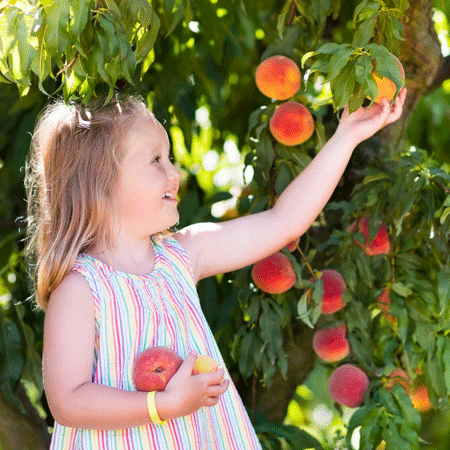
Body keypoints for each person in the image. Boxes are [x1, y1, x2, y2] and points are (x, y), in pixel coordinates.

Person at [24, 87, 407, 449]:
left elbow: (283, 222)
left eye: (170, 158)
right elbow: (67, 401)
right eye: (156, 160)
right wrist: (162, 406)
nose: (174, 173)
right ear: (100, 185)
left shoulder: (182, 256)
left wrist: (346, 136)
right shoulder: (81, 288)